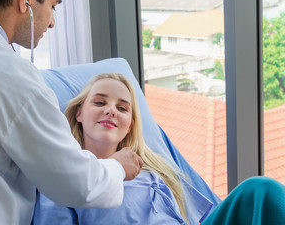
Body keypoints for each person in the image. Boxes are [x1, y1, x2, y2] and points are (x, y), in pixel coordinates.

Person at [0, 0, 143, 224]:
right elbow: (76, 183)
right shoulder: (11, 77)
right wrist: (118, 167)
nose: (51, 23)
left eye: (123, 108)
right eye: (52, 6)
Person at [33, 73, 285, 225]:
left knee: (261, 191)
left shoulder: (153, 172)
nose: (110, 110)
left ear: (129, 126)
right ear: (78, 112)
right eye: (99, 102)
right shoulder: (65, 178)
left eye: (122, 108)